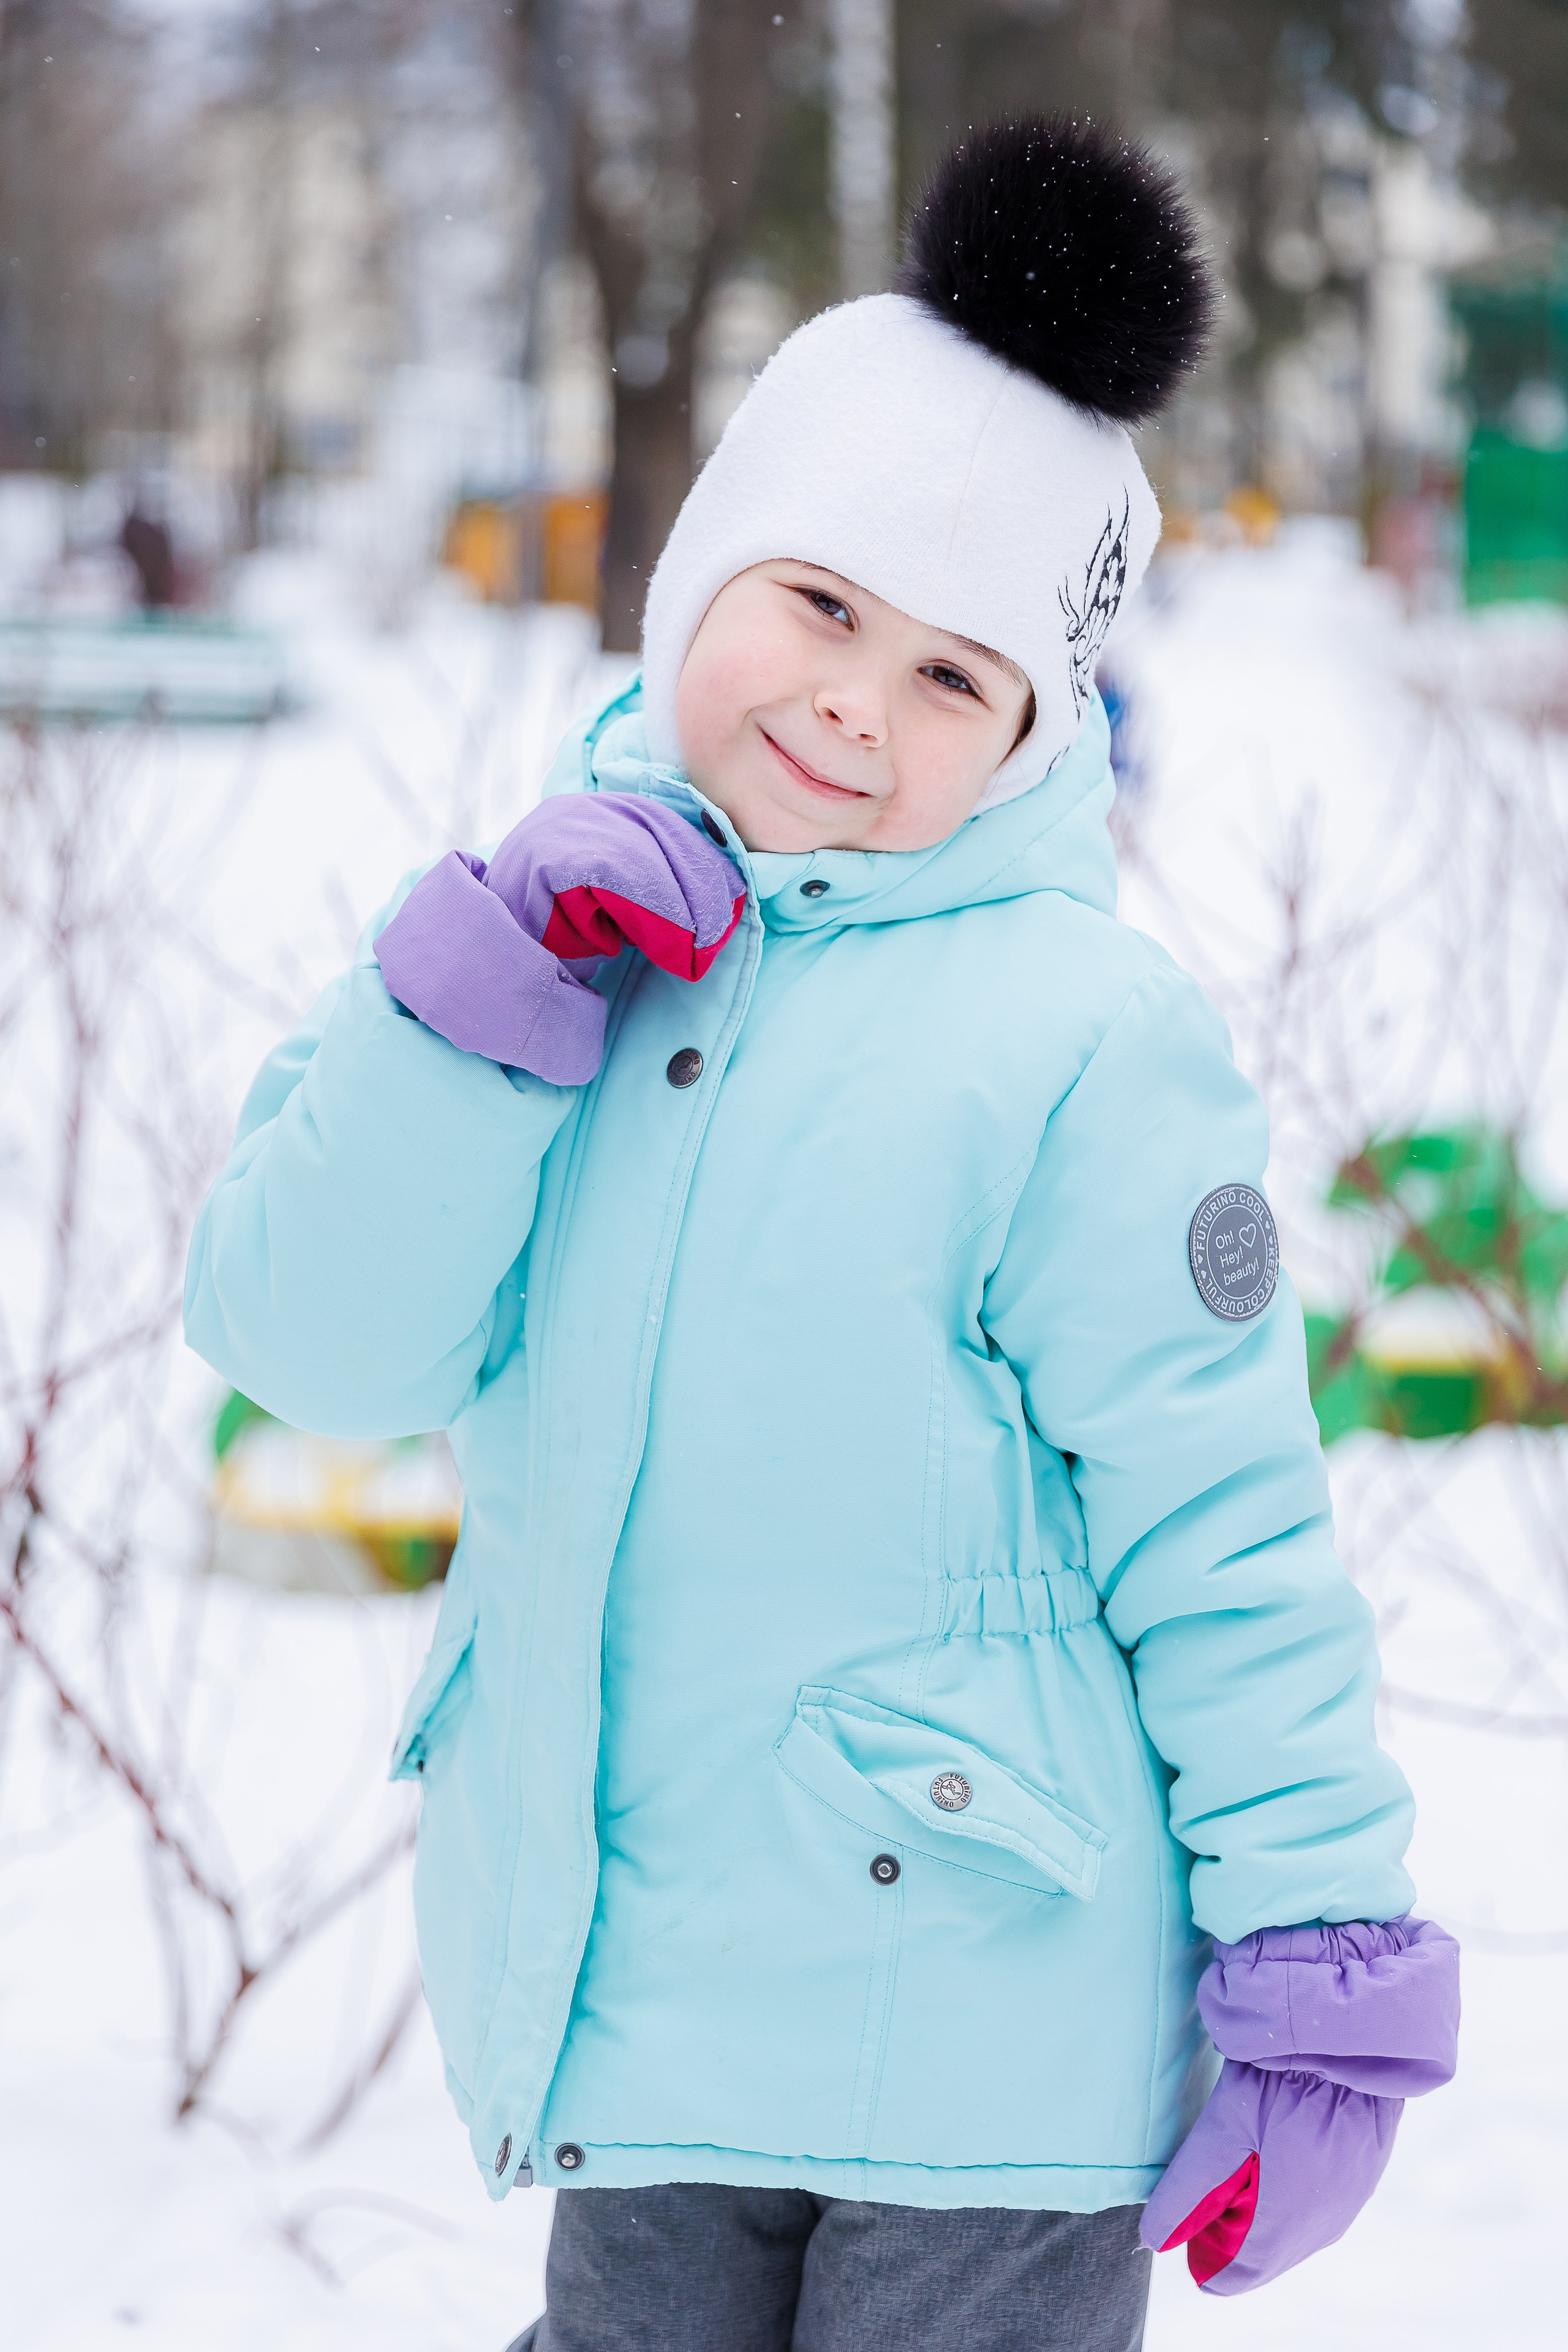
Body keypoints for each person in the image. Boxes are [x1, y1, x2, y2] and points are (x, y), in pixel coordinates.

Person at [184, 119, 1458, 2351]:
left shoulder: (1078, 1036)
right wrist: (481, 1014)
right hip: (651, 2001)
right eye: (822, 606)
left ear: (1038, 740)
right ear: (703, 579)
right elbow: (313, 1342)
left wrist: (1318, 1956)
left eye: (960, 677)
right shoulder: (535, 943)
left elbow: (1226, 1522)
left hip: (998, 2035)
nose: (857, 705)